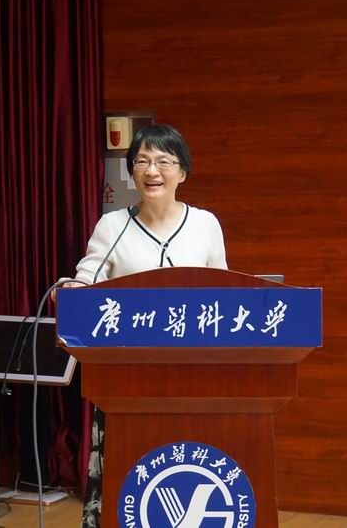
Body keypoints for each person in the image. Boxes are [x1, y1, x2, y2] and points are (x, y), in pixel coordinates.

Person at [63, 123, 227, 528]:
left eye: (163, 161)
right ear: (132, 173)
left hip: (192, 374)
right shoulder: (112, 226)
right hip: (124, 378)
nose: (152, 170)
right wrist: (75, 289)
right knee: (130, 474)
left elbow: (224, 294)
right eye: (141, 161)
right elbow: (86, 281)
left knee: (184, 466)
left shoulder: (205, 224)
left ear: (182, 172)